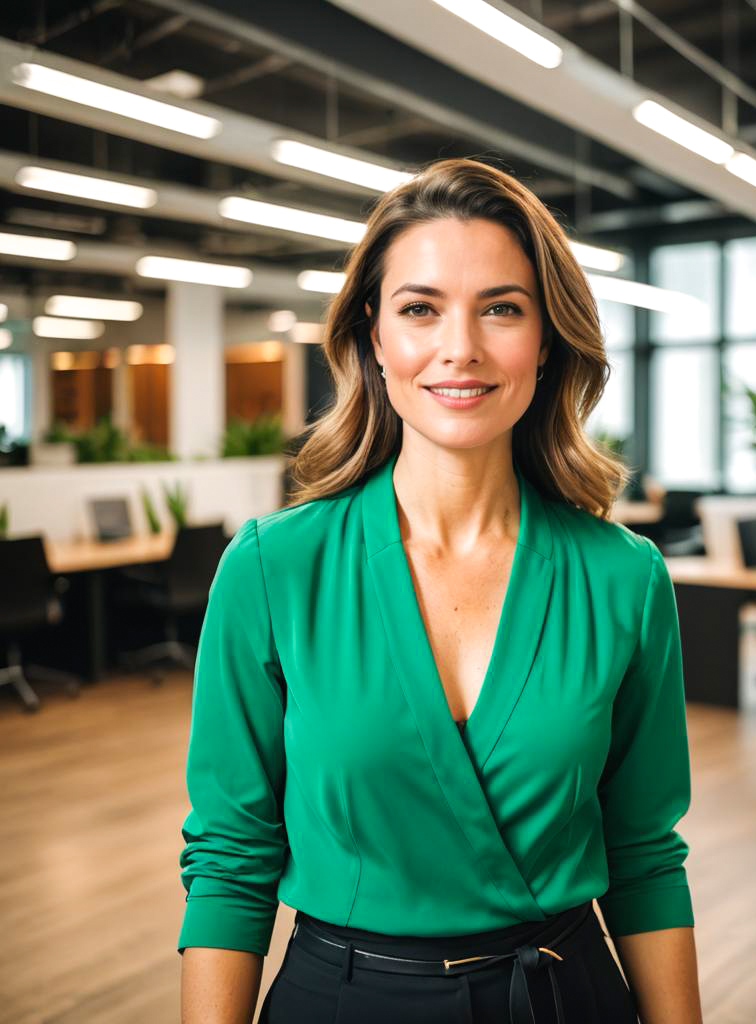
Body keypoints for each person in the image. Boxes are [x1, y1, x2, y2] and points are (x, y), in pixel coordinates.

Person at [178, 157, 703, 1024]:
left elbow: (645, 853)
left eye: (501, 308)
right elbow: (231, 857)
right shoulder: (275, 568)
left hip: (563, 997)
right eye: (421, 309)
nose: (460, 346)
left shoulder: (624, 578)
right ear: (374, 340)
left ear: (546, 340)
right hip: (343, 1000)